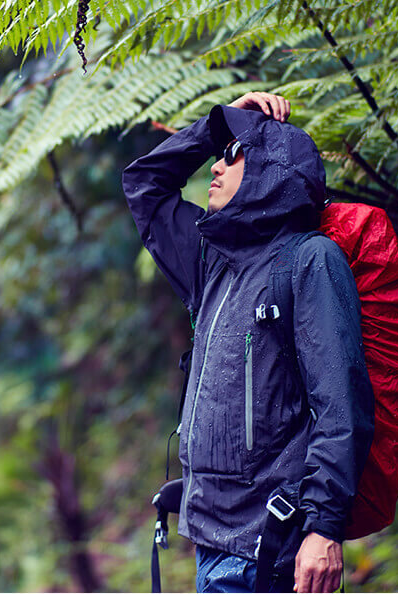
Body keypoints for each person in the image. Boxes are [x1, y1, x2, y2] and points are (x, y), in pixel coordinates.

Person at [123, 93, 375, 593]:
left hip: (269, 554)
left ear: (270, 168)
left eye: (233, 154)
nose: (216, 166)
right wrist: (220, 126)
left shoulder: (310, 262)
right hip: (212, 549)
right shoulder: (209, 262)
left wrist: (324, 528)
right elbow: (145, 186)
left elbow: (341, 405)